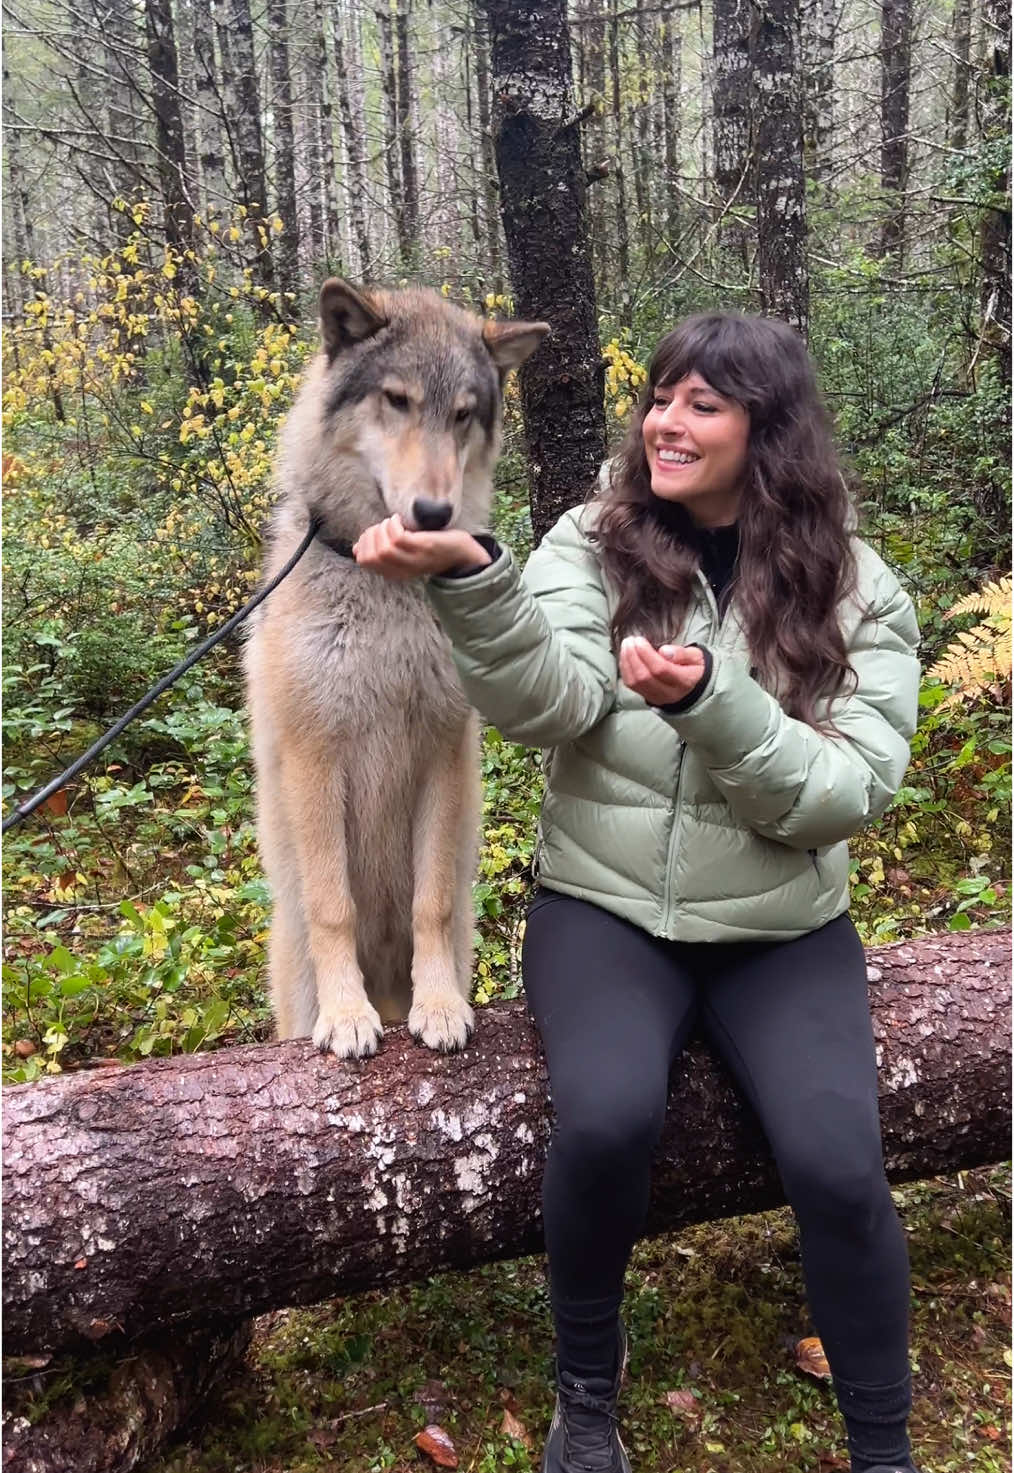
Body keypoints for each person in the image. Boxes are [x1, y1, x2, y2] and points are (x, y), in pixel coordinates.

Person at [353, 312, 922, 1473]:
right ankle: (587, 1400)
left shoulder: (856, 587)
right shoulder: (591, 541)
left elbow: (842, 794)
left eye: (703, 404)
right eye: (661, 398)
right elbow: (547, 705)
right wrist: (474, 576)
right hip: (603, 911)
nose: (665, 421)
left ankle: (885, 1444)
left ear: (768, 431)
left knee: (839, 1168)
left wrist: (711, 699)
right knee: (608, 1120)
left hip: (782, 928)